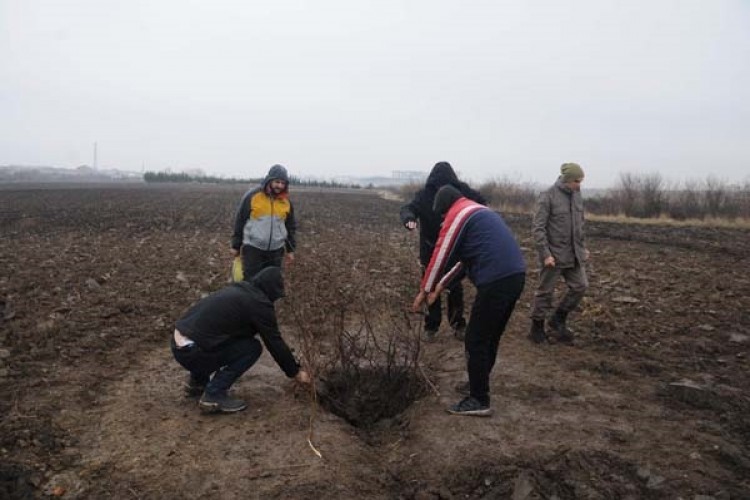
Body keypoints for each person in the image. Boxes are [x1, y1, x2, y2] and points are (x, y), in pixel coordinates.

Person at [412, 185, 526, 417]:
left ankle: (479, 399)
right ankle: (479, 383)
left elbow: (441, 254)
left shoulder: (459, 214)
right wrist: (440, 287)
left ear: (445, 208)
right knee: (489, 337)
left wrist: (424, 291)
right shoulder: (478, 212)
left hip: (496, 280)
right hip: (515, 277)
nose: (442, 220)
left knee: (475, 339)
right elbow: (462, 263)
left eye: (442, 215)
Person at [171, 266, 311, 413]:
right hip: (192, 353)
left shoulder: (240, 290)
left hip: (178, 344)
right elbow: (274, 342)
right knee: (251, 348)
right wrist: (295, 372)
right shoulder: (259, 304)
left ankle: (197, 384)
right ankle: (213, 394)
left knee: (216, 334)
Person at [400, 161, 487, 342]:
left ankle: (458, 325)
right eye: (438, 185)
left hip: (455, 248)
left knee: (454, 287)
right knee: (429, 286)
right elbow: (408, 208)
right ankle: (431, 326)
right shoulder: (424, 195)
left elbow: (481, 202)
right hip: (430, 247)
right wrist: (409, 219)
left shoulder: (462, 191)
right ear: (433, 183)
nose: (442, 189)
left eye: (445, 185)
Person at [529, 162, 590, 344]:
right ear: (567, 180)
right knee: (545, 293)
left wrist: (583, 247)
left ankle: (558, 319)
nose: (579, 184)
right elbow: (538, 228)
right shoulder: (547, 196)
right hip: (553, 256)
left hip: (574, 254)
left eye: (581, 181)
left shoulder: (577, 196)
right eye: (576, 181)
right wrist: (545, 254)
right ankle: (536, 328)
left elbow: (580, 225)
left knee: (581, 286)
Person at [232, 164, 297, 281]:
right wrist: (236, 245)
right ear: (270, 180)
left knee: (271, 282)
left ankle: (266, 300)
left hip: (276, 251)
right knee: (251, 282)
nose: (280, 186)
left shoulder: (286, 202)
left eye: (283, 183)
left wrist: (290, 249)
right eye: (277, 182)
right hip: (253, 249)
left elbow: (290, 227)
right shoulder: (253, 196)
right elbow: (240, 220)